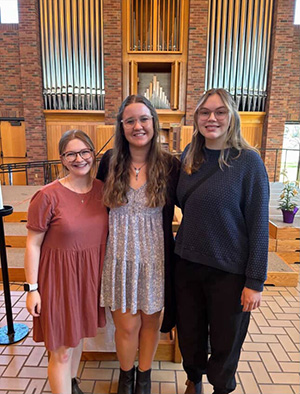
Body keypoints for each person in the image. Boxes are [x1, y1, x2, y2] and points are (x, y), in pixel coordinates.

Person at [174, 88, 269, 394]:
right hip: (187, 264)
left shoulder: (249, 162)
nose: (211, 118)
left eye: (220, 112)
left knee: (227, 340)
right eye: (204, 112)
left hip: (229, 271)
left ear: (232, 118)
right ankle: (194, 378)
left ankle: (221, 387)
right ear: (196, 118)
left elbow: (258, 226)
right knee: (190, 332)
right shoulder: (188, 158)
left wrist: (255, 281)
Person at [97, 94, 180, 394]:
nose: (138, 126)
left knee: (150, 325)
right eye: (130, 120)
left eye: (144, 119)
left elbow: (193, 205)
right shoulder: (109, 162)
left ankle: (143, 378)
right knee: (126, 327)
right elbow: (93, 206)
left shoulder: (170, 165)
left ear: (154, 124)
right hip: (119, 259)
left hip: (156, 260)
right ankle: (126, 376)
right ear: (121, 126)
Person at [24, 130, 108, 394]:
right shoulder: (47, 195)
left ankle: (71, 384)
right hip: (58, 282)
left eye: (84, 152)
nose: (79, 158)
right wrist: (32, 289)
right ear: (62, 159)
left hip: (88, 279)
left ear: (93, 154)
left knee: (77, 335)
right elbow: (32, 244)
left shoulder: (102, 190)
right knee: (60, 351)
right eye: (71, 153)